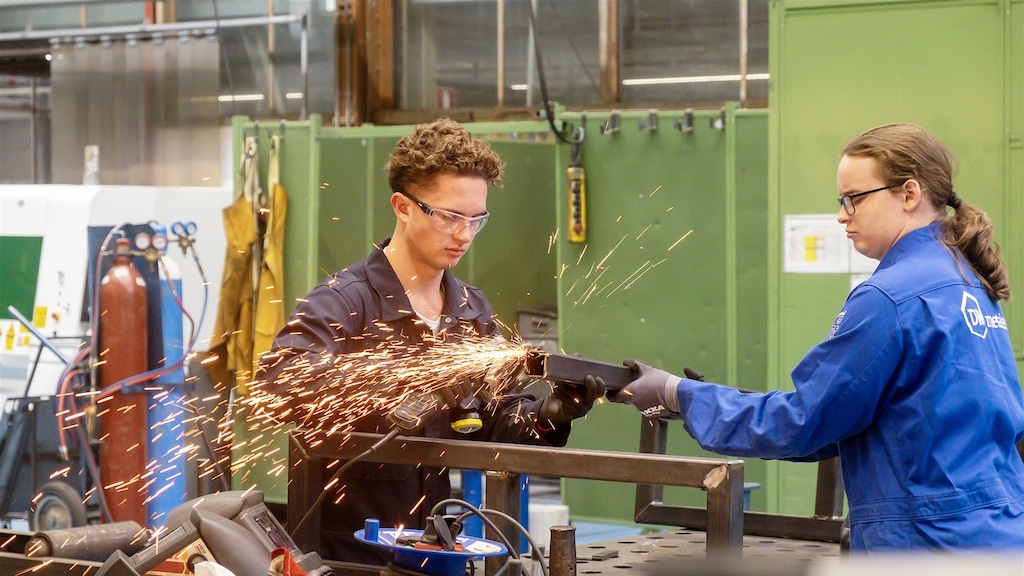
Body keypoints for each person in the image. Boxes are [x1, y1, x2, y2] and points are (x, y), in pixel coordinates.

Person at [603, 123, 1024, 552]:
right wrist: (706, 399)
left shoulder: (890, 297)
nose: (843, 214)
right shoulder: (967, 282)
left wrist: (679, 395)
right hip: (999, 534)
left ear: (909, 194)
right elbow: (844, 423)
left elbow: (805, 421)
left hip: (925, 543)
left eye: (853, 199)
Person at [254, 118, 604, 565]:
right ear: (403, 206)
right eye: (450, 217)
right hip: (345, 556)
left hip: (430, 551)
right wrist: (401, 387)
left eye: (477, 220)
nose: (464, 235)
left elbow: (493, 427)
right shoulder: (345, 302)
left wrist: (549, 415)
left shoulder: (469, 311)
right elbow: (278, 387)